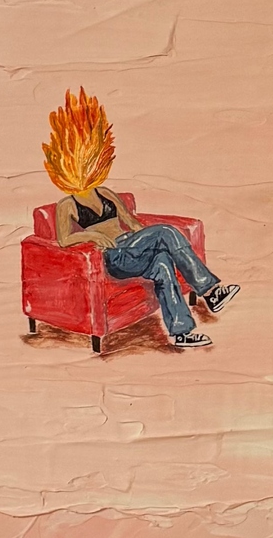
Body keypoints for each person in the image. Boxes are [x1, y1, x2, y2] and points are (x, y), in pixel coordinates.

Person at [42, 89, 239, 348]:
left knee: (163, 263)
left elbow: (131, 221)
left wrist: (145, 236)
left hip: (132, 246)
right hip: (114, 257)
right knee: (165, 232)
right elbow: (64, 240)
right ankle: (211, 292)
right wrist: (92, 234)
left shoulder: (105, 193)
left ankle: (181, 333)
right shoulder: (67, 204)